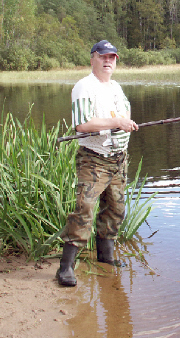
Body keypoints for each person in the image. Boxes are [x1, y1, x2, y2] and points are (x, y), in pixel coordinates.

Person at [56, 40, 139, 287]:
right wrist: (117, 124)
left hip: (118, 159)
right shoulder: (84, 86)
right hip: (94, 158)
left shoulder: (116, 87)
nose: (108, 61)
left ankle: (105, 258)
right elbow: (82, 125)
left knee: (115, 209)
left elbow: (122, 117)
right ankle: (65, 268)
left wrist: (126, 124)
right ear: (92, 58)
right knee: (84, 208)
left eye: (112, 58)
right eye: (103, 57)